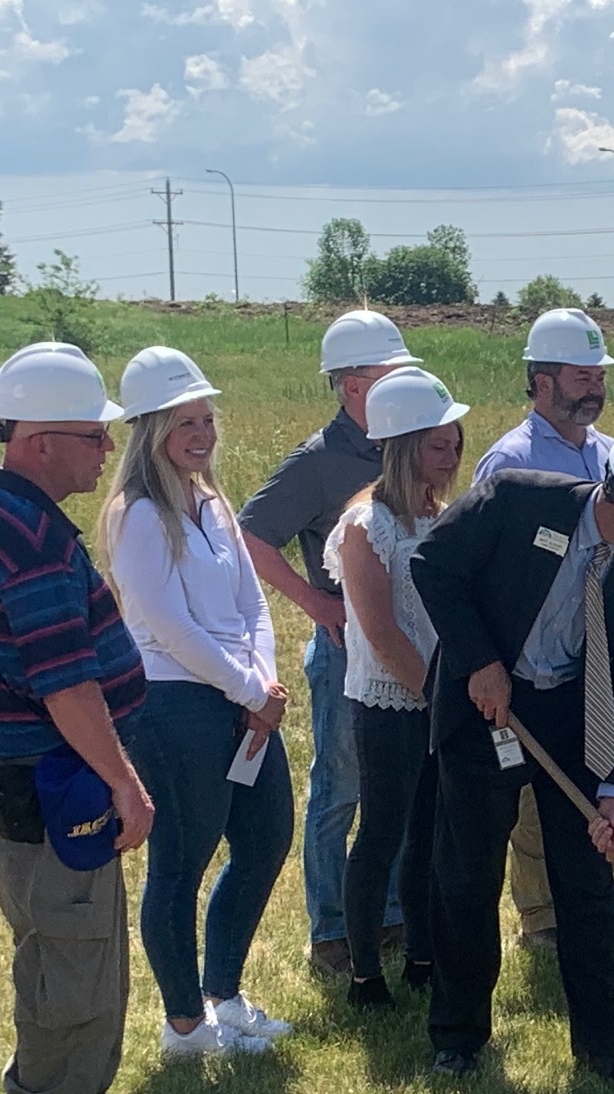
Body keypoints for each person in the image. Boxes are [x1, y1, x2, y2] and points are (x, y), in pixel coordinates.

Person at [412, 419, 614, 1086]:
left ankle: (603, 1053)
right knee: (467, 877)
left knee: (590, 886)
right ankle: (458, 1039)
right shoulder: (516, 499)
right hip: (489, 705)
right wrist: (480, 662)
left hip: (575, 717)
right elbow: (433, 565)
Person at [0, 344, 154, 1094]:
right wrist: (125, 782)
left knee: (85, 940)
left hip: (42, 778)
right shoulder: (27, 539)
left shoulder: (4, 513)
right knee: (66, 951)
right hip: (47, 779)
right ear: (37, 443)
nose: (107, 449)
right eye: (92, 435)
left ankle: (79, 1092)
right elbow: (67, 686)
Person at [101, 346, 293, 1061]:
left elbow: (252, 605)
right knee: (181, 861)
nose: (202, 434)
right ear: (151, 430)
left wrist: (263, 684)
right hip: (175, 705)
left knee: (266, 839)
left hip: (243, 699)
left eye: (207, 419)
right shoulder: (138, 515)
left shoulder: (211, 503)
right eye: (185, 422)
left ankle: (224, 996)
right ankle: (184, 1026)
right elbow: (168, 625)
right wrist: (250, 691)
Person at [472, 308, 614, 950]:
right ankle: (540, 917)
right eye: (582, 377)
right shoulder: (511, 461)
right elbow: (484, 570)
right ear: (541, 381)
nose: (595, 389)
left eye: (599, 377)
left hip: (594, 658)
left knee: (595, 783)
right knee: (534, 801)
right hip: (527, 663)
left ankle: (602, 902)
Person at [238, 310, 418, 976]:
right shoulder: (319, 462)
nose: (403, 386)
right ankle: (332, 931)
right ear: (352, 386)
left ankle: (390, 914)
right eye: (390, 375)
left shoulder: (405, 444)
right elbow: (252, 536)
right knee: (341, 788)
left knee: (395, 784)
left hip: (403, 644)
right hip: (345, 652)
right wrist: (315, 601)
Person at [324, 368, 467, 1007]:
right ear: (404, 446)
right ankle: (364, 974)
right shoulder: (366, 526)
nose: (451, 457)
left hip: (437, 698)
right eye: (438, 445)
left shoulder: (440, 517)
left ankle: (422, 954)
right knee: (382, 832)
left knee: (430, 835)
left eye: (455, 444)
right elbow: (381, 631)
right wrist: (435, 695)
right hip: (388, 702)